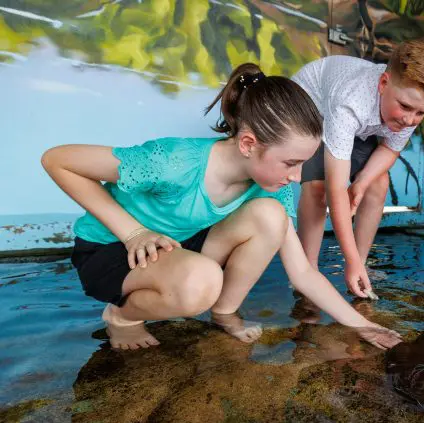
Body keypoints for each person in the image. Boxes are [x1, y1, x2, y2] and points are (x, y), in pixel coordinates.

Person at [41, 63, 402, 351]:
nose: (295, 178)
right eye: (290, 163)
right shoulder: (173, 161)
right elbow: (57, 160)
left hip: (173, 246)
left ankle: (224, 312)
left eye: (302, 166)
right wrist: (134, 232)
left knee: (270, 217)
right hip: (112, 249)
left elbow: (303, 273)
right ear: (248, 143)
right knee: (202, 282)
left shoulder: (269, 189)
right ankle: (121, 316)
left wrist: (363, 325)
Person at [291, 39, 424, 298]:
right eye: (405, 107)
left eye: (420, 114)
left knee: (378, 182)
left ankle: (360, 266)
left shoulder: (411, 106)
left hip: (360, 120)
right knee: (318, 188)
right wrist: (345, 257)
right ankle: (307, 271)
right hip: (307, 108)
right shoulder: (350, 103)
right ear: (383, 84)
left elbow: (390, 149)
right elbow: (336, 189)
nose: (410, 120)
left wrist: (360, 183)